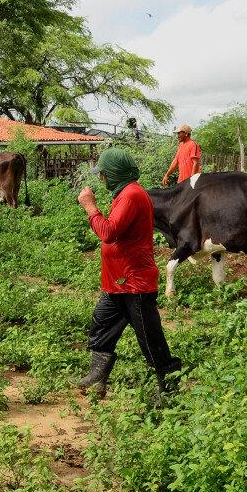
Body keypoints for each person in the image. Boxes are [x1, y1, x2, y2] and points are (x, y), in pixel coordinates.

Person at [76, 148, 181, 402]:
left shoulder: (132, 194)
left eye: (104, 174)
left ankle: (169, 390)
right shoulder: (123, 194)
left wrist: (90, 207)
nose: (102, 179)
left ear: (114, 174)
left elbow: (109, 232)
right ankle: (97, 379)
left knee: (149, 338)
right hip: (117, 282)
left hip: (134, 283)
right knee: (102, 327)